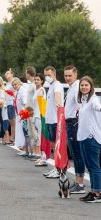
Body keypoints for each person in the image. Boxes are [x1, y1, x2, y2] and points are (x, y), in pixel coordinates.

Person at [77, 76, 101, 203]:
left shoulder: (93, 99)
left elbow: (97, 107)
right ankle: (93, 191)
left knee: (94, 166)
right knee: (90, 166)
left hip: (92, 138)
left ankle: (98, 193)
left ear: (91, 86)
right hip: (83, 137)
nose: (84, 87)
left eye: (86, 85)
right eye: (82, 85)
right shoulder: (83, 101)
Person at [64, 66, 86, 194]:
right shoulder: (72, 87)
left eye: (69, 76)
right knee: (75, 153)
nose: (67, 78)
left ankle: (80, 184)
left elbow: (80, 107)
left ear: (76, 74)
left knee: (77, 154)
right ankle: (78, 182)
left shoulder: (77, 87)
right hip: (70, 122)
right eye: (65, 76)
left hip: (74, 123)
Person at [43, 66, 64, 178]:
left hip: (56, 120)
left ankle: (59, 170)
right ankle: (56, 167)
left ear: (54, 74)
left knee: (58, 146)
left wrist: (59, 106)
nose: (47, 77)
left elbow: (58, 96)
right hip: (50, 120)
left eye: (49, 75)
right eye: (45, 75)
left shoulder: (57, 85)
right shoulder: (50, 86)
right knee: (53, 146)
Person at [12, 77, 27, 150]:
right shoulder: (16, 92)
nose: (14, 86)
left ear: (19, 84)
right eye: (13, 85)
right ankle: (20, 146)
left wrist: (24, 113)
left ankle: (23, 146)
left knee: (22, 131)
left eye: (15, 84)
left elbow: (25, 103)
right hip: (18, 114)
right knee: (19, 131)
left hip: (23, 114)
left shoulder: (22, 91)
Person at [5, 69, 16, 144]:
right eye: (5, 73)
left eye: (8, 73)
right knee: (10, 121)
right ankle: (12, 138)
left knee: (13, 122)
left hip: (12, 103)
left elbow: (16, 91)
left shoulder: (13, 82)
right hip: (8, 103)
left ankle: (12, 138)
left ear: (12, 74)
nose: (6, 74)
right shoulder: (8, 83)